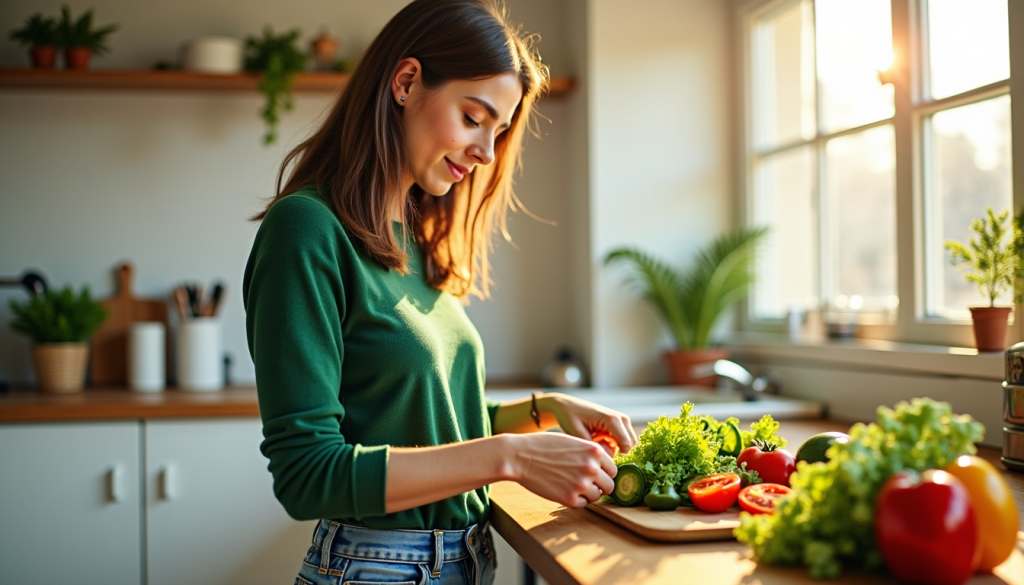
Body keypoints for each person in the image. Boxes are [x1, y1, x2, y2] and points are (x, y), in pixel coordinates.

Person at [243, 1, 638, 583]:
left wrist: (542, 410)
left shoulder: (414, 241)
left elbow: (427, 421)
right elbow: (306, 475)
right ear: (406, 82)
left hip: (467, 561)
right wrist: (511, 457)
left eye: (498, 132)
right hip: (377, 569)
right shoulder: (307, 229)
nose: (486, 152)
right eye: (473, 117)